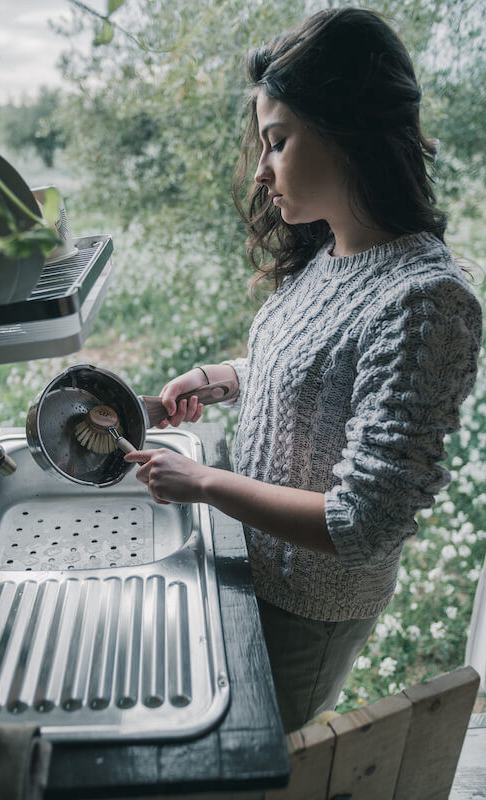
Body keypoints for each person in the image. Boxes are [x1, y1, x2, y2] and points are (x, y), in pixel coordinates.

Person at [124, 6, 483, 732]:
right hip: (253, 562)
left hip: (306, 608)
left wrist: (202, 483)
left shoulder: (428, 301)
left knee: (257, 756)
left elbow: (365, 521)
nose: (261, 170)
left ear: (346, 131)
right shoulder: (332, 251)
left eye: (278, 142)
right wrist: (219, 379)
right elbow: (315, 372)